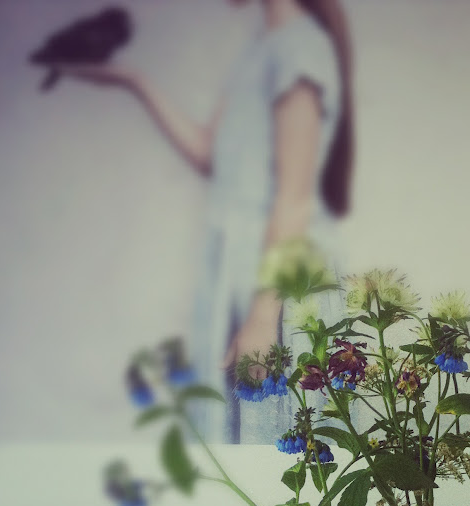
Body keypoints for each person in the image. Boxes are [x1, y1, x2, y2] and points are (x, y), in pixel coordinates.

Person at [52, 0, 354, 443]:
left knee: (284, 448)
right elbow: (214, 156)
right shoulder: (261, 50)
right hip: (246, 271)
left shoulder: (300, 49)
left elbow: (294, 199)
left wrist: (262, 318)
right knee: (237, 446)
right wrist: (133, 81)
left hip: (279, 283)